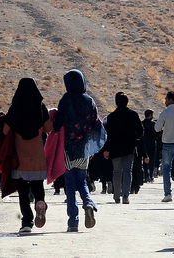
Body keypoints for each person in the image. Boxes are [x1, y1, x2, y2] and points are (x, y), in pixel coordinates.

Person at [53, 69, 105, 232]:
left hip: (68, 148)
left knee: (69, 184)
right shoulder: (89, 101)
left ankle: (73, 221)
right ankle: (88, 203)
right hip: (83, 148)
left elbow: (56, 125)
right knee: (82, 181)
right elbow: (96, 124)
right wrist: (92, 147)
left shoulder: (65, 100)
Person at [3, 78, 52, 233]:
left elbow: (5, 131)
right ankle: (40, 202)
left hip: (20, 155)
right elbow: (49, 129)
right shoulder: (40, 107)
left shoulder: (15, 108)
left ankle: (26, 222)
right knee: (38, 185)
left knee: (23, 190)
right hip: (37, 153)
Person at [103, 92, 143, 204]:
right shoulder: (133, 115)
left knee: (116, 172)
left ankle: (116, 196)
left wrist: (107, 149)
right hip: (129, 147)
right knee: (127, 171)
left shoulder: (111, 117)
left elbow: (108, 135)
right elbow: (140, 131)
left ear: (116, 102)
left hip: (115, 148)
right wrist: (136, 138)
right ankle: (126, 196)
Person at [142, 109, 157, 183]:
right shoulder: (153, 124)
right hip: (152, 144)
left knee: (144, 159)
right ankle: (151, 176)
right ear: (150, 115)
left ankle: (146, 175)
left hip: (144, 144)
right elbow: (157, 134)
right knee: (152, 160)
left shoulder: (142, 123)